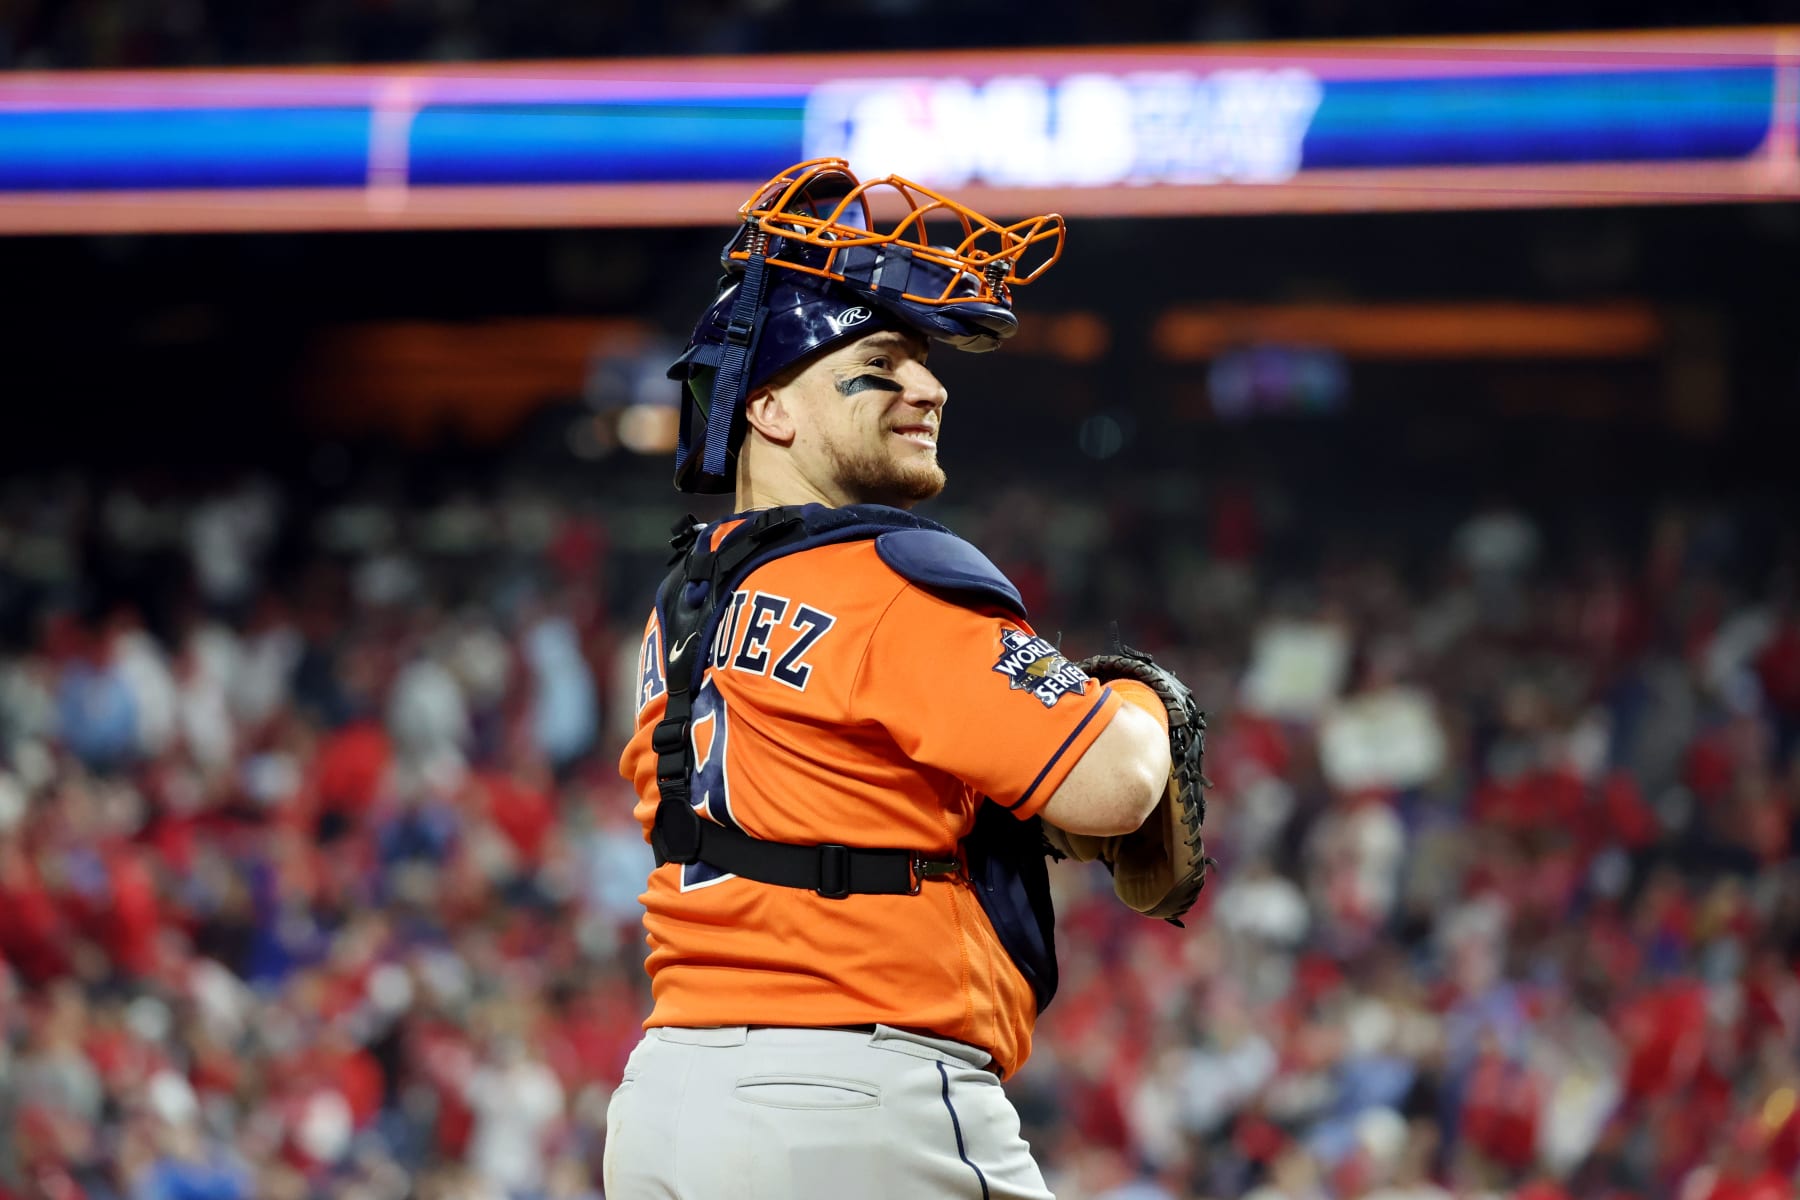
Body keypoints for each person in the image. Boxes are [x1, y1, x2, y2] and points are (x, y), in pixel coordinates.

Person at [608, 159, 1195, 1199]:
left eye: (924, 363)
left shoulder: (680, 604)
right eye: (879, 363)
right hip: (852, 1107)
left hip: (665, 1103)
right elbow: (1116, 783)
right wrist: (1144, 703)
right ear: (773, 411)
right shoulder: (888, 575)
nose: (930, 386)